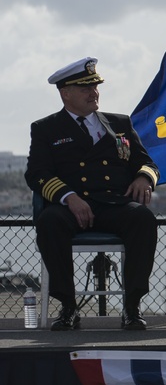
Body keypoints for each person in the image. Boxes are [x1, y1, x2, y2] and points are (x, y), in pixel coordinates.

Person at [25, 57, 159, 331]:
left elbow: (147, 162)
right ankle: (67, 306)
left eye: (95, 86)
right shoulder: (46, 128)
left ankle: (132, 306)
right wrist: (69, 197)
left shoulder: (120, 123)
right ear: (65, 94)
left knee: (143, 219)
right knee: (49, 222)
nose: (93, 92)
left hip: (114, 204)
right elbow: (37, 173)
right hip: (70, 206)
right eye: (85, 88)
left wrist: (144, 177)